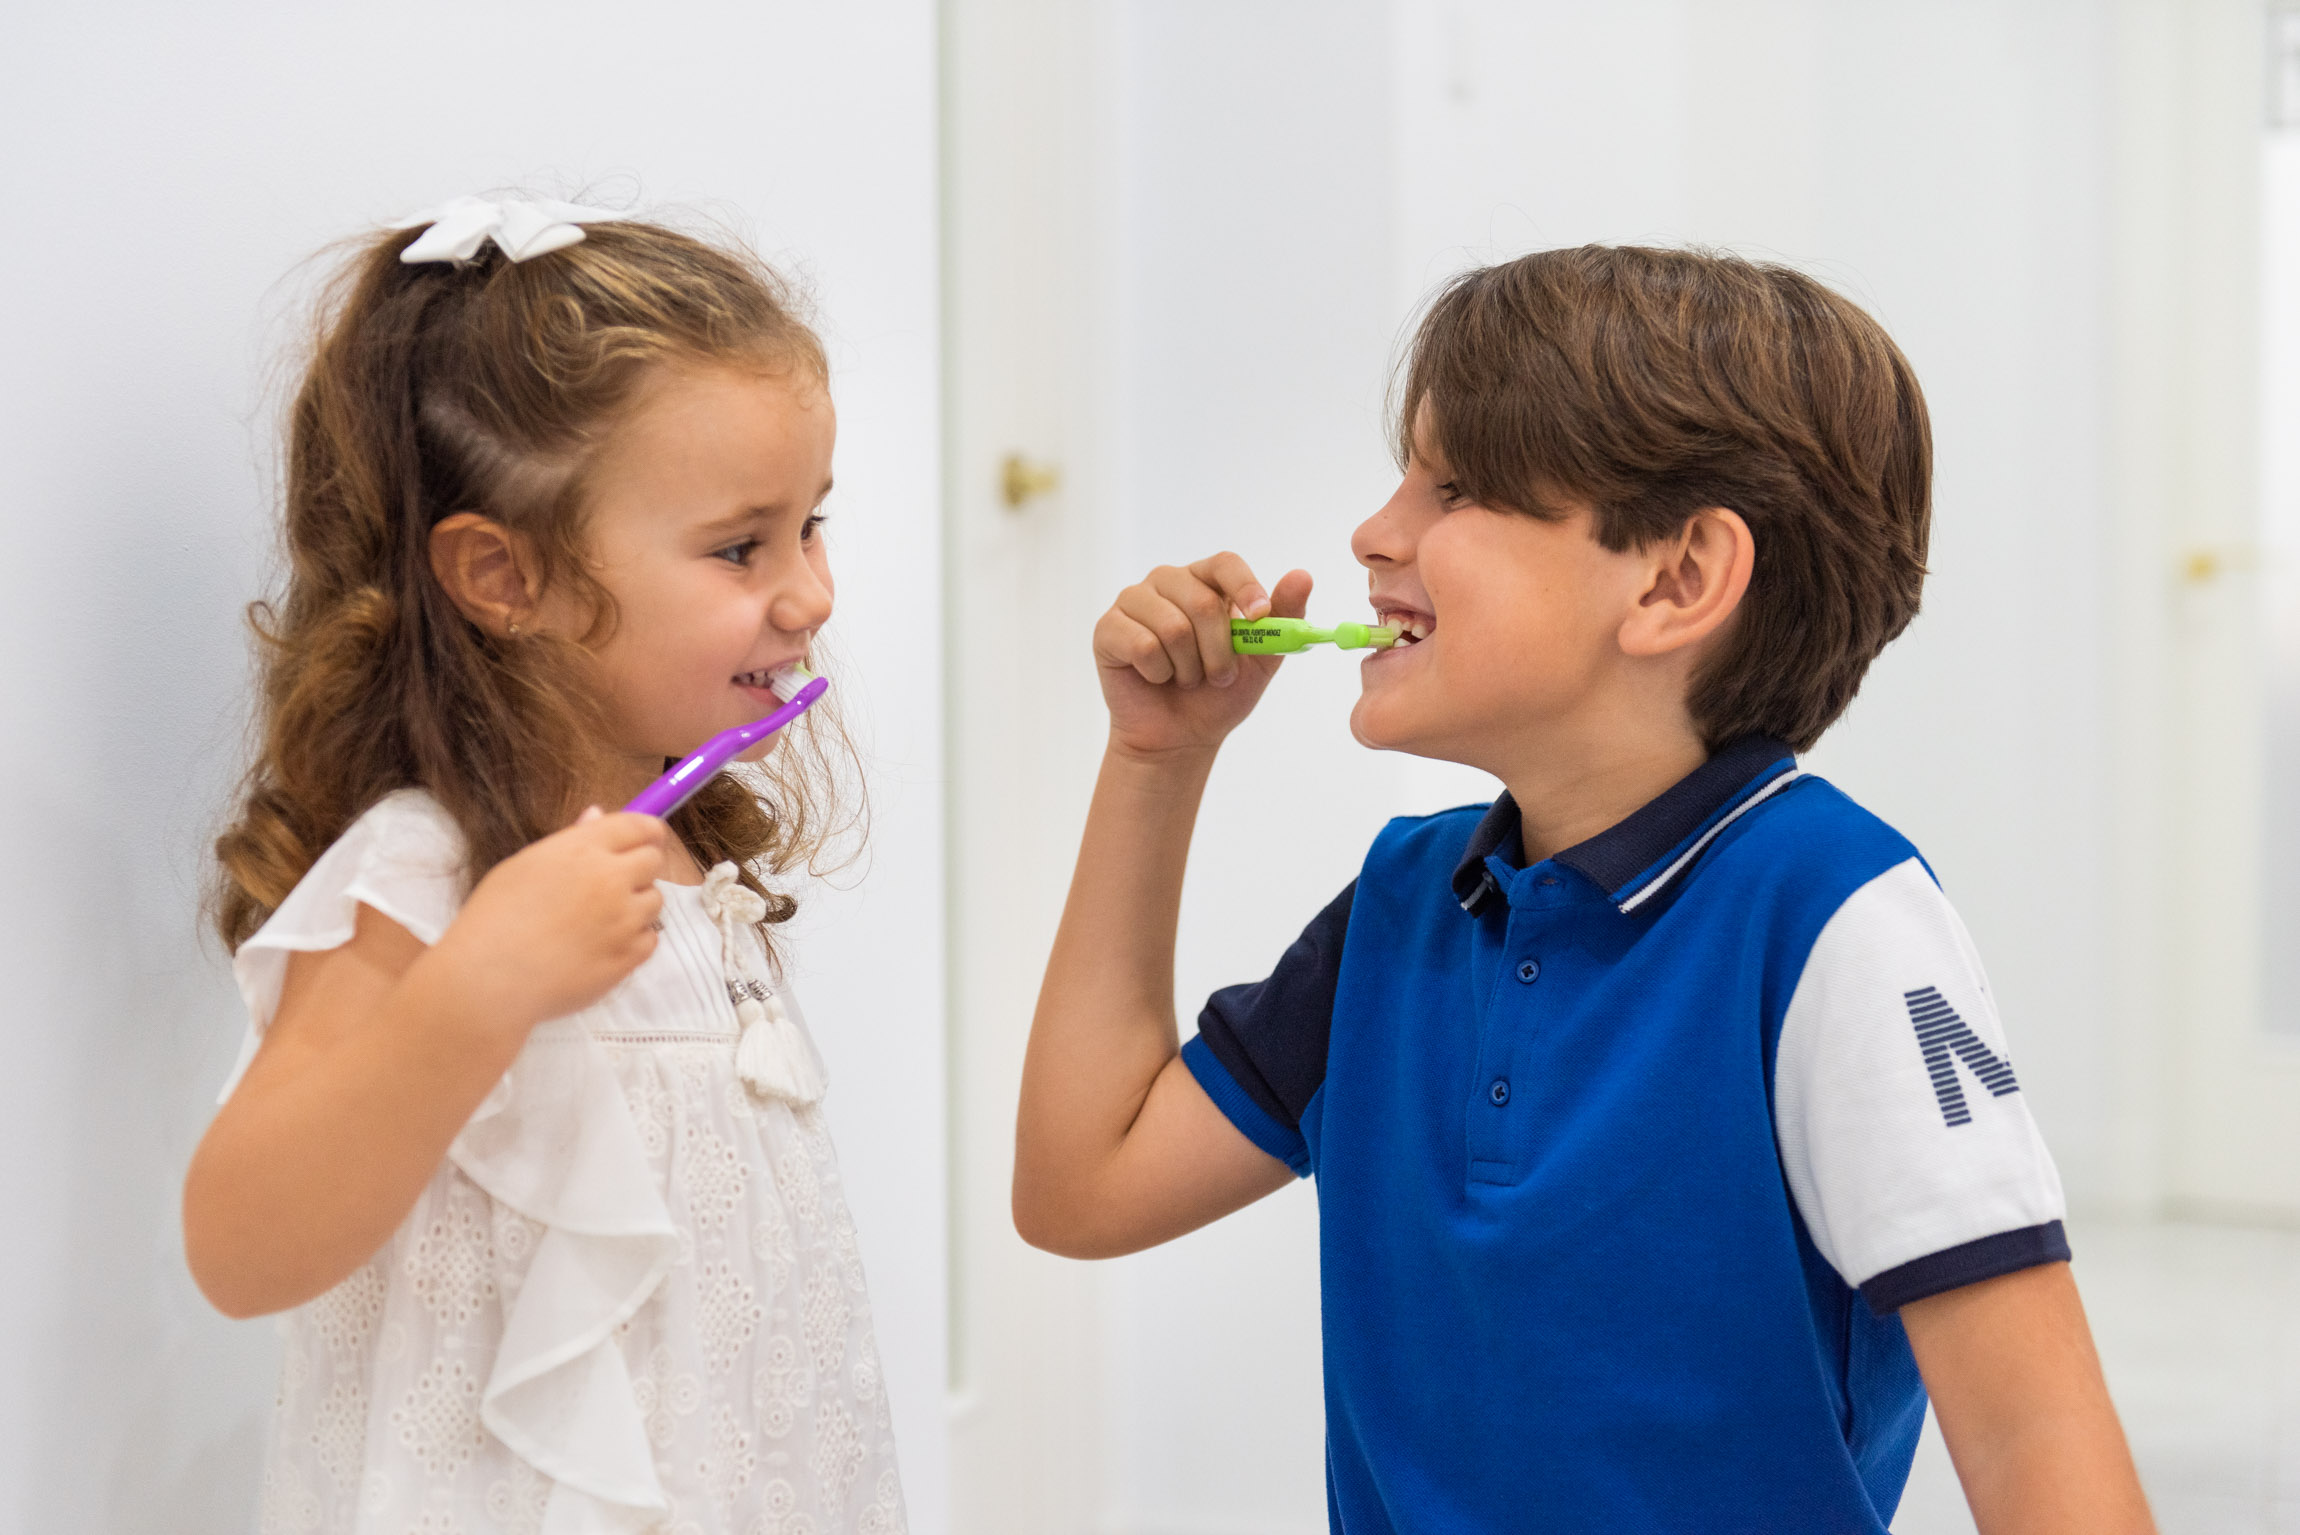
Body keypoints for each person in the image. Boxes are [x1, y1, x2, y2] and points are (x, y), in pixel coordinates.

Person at [1015, 246, 2154, 1532]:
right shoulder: (1401, 906)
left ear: (1674, 581)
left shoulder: (1833, 920)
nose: (1374, 533)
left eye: (1453, 488)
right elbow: (1079, 1186)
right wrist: (1155, 758)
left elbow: (2034, 1442)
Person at [183, 198, 905, 1535]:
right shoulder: (423, 869)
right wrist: (478, 987)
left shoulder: (693, 865)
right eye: (743, 544)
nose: (809, 592)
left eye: (813, 524)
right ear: (502, 576)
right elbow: (239, 1243)